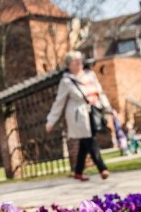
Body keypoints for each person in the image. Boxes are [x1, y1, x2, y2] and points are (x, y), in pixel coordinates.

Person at [46, 50, 111, 181]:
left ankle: (78, 172)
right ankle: (102, 168)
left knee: (84, 143)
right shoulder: (66, 81)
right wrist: (51, 121)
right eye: (75, 61)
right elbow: (59, 102)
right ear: (69, 65)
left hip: (93, 112)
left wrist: (107, 108)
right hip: (78, 116)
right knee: (90, 140)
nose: (79, 63)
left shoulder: (91, 75)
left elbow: (100, 93)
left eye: (80, 60)